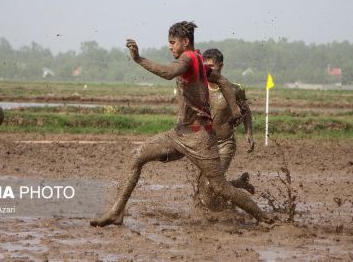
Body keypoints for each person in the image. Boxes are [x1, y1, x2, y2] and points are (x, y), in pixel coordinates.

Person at [90, 21, 272, 227]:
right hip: (178, 134)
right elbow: (222, 81)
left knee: (220, 188)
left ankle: (266, 218)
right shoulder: (198, 61)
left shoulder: (188, 58)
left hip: (200, 137)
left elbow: (169, 73)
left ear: (185, 42)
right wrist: (236, 108)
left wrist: (139, 59)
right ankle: (116, 212)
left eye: (172, 42)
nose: (170, 47)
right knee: (136, 156)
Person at [195, 48, 255, 211]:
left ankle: (237, 207)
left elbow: (246, 110)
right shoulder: (199, 88)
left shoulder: (234, 90)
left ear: (221, 66)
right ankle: (237, 184)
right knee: (202, 188)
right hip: (204, 145)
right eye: (204, 66)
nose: (207, 70)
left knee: (212, 182)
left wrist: (248, 132)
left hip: (224, 143)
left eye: (211, 66)